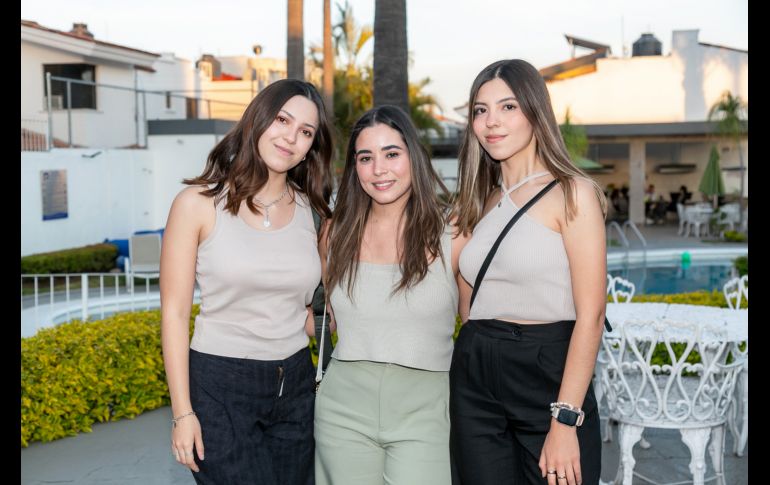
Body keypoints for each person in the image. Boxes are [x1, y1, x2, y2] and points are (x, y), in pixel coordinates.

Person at [160, 78, 333, 484]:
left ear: (311, 146)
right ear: (258, 119)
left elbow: (318, 311)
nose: (291, 137)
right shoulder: (198, 205)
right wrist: (183, 413)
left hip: (296, 385)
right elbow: (174, 314)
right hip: (219, 386)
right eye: (282, 120)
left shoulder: (315, 214)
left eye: (306, 131)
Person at [450, 59, 607, 485]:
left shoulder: (572, 193)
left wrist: (566, 419)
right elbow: (466, 295)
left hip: (547, 372)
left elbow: (592, 315)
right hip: (477, 370)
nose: (491, 121)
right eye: (480, 110)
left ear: (536, 112)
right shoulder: (477, 201)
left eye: (508, 107)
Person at [314, 105, 469, 485]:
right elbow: (323, 315)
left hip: (426, 408)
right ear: (354, 168)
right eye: (365, 158)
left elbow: (477, 327)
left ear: (413, 156)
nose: (379, 169)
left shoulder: (455, 231)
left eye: (391, 154)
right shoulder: (334, 233)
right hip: (343, 408)